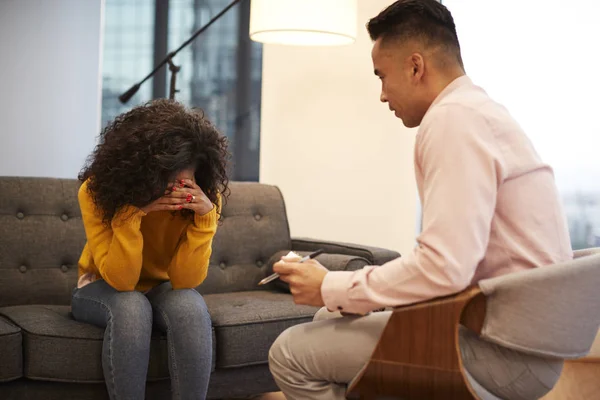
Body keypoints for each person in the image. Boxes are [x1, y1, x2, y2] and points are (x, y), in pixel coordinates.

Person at [268, 1, 572, 399]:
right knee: (332, 317)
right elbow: (458, 264)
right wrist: (345, 294)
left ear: (415, 67)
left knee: (290, 353)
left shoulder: (453, 121)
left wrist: (330, 286)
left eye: (382, 77)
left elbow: (445, 267)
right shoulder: (479, 112)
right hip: (523, 336)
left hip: (505, 351)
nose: (382, 95)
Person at [72, 99, 229, 400]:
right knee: (131, 304)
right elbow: (123, 282)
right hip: (101, 287)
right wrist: (131, 216)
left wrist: (206, 220)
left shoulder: (203, 200)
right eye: (167, 182)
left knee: (189, 304)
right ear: (142, 174)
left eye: (186, 180)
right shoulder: (96, 193)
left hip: (159, 288)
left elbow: (184, 282)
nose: (178, 191)